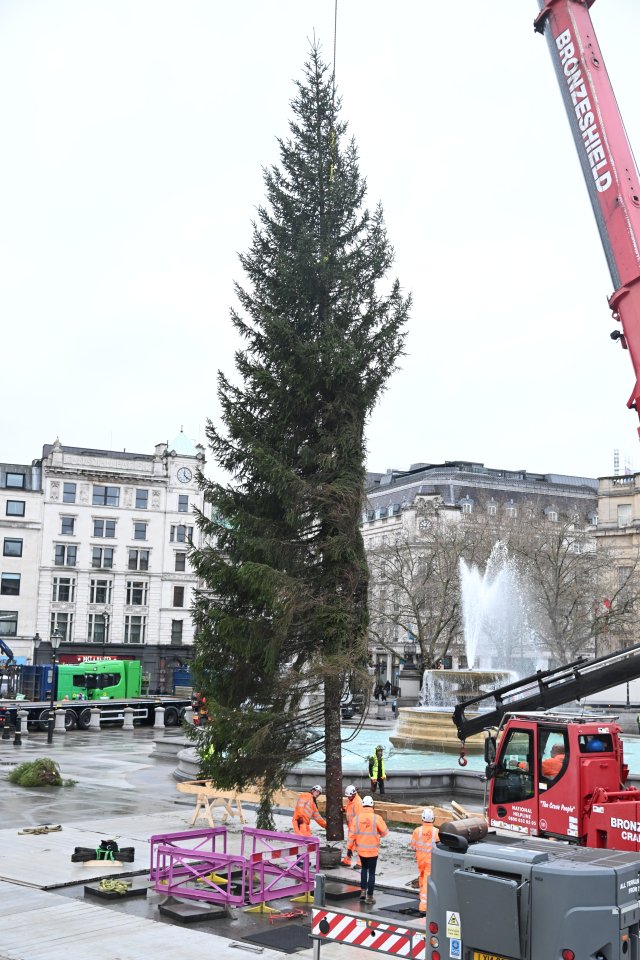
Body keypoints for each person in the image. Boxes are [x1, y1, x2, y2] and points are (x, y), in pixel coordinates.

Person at [349, 794, 389, 905]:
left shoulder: (357, 818)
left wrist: (349, 849)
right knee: (371, 873)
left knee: (363, 870)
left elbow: (351, 834)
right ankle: (370, 897)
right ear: (372, 805)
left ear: (363, 805)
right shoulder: (377, 818)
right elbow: (385, 832)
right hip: (373, 852)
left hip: (361, 851)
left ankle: (362, 892)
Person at [410, 808, 439, 914]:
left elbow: (413, 846)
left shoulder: (417, 831)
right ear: (433, 819)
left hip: (420, 860)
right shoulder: (436, 832)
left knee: (422, 880)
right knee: (427, 881)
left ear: (422, 818)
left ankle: (423, 902)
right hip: (430, 861)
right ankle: (424, 906)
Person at [341, 784, 363, 868]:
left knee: (359, 845)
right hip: (352, 827)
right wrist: (344, 809)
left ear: (354, 794)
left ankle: (360, 863)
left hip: (357, 828)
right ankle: (347, 860)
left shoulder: (358, 803)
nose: (348, 798)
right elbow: (350, 808)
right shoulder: (351, 800)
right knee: (350, 844)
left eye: (349, 796)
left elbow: (359, 818)